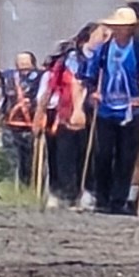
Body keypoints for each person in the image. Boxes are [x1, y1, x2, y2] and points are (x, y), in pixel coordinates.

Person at [87, 8, 139, 211]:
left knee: (126, 156)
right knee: (103, 154)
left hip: (131, 110)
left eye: (125, 27)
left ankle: (118, 199)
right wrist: (93, 92)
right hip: (106, 110)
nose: (121, 31)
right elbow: (90, 74)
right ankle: (101, 197)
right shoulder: (103, 50)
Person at [40, 41, 90, 205]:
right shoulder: (55, 73)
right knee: (59, 155)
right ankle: (60, 191)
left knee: (79, 155)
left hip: (79, 113)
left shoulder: (83, 69)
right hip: (58, 115)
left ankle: (75, 191)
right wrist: (39, 115)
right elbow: (46, 93)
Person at [0, 50, 40, 188]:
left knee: (28, 160)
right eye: (19, 61)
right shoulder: (8, 76)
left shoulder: (39, 78)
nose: (22, 64)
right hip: (10, 124)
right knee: (10, 158)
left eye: (25, 61)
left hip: (30, 125)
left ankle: (27, 186)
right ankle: (10, 186)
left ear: (32, 63)